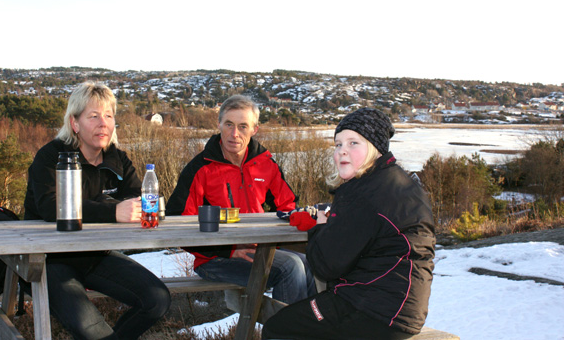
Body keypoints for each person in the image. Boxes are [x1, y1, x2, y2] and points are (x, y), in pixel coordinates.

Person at [262, 108, 435, 340]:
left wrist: (320, 226)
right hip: (401, 308)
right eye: (337, 144)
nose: (342, 151)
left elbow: (325, 266)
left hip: (374, 311)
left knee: (279, 329)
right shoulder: (397, 182)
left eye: (353, 143)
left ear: (375, 148)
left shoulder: (366, 194)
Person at [24, 81, 171, 339]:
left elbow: (139, 198)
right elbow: (49, 206)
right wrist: (112, 212)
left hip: (96, 255)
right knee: (93, 331)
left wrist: (117, 208)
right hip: (50, 260)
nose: (103, 123)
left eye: (108, 116)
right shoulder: (52, 157)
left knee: (157, 300)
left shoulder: (117, 159)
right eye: (93, 116)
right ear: (75, 123)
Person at [166, 95, 316, 304]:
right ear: (219, 124)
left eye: (243, 126)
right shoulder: (200, 168)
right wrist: (228, 250)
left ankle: (308, 329)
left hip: (261, 249)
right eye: (229, 125)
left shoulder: (265, 164)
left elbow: (288, 206)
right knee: (290, 268)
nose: (234, 134)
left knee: (310, 264)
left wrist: (301, 222)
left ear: (255, 129)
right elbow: (177, 221)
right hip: (215, 258)